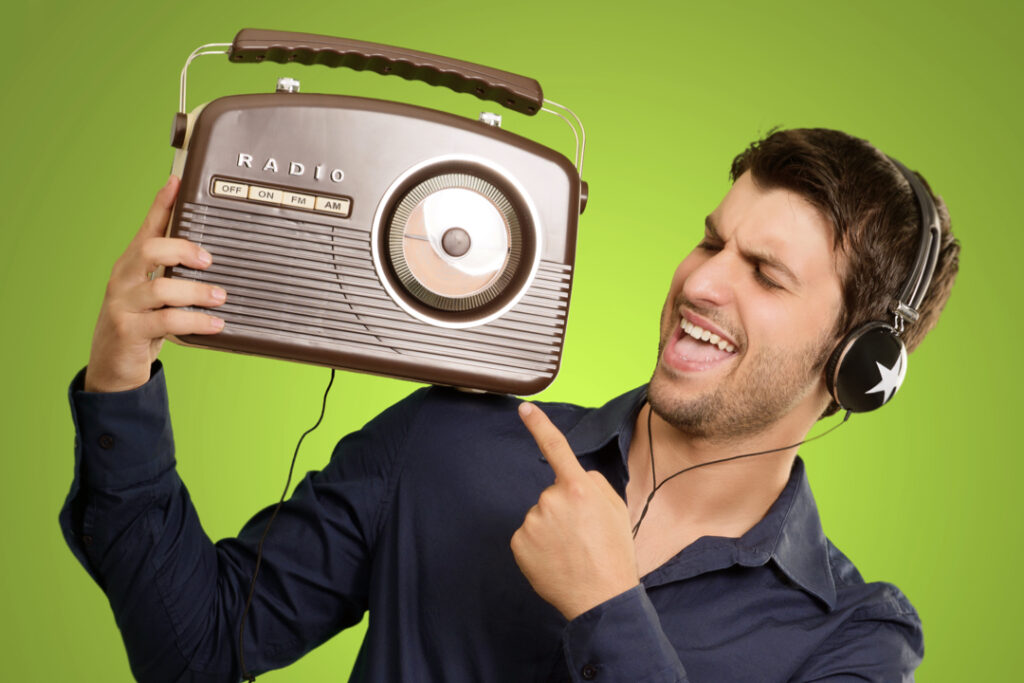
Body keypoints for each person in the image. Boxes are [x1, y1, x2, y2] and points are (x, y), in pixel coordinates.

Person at [61, 127, 959, 682]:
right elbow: (198, 649)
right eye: (711, 240)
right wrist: (121, 381)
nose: (702, 281)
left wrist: (606, 601)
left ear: (856, 365)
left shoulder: (852, 639)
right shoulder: (447, 438)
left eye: (764, 274)